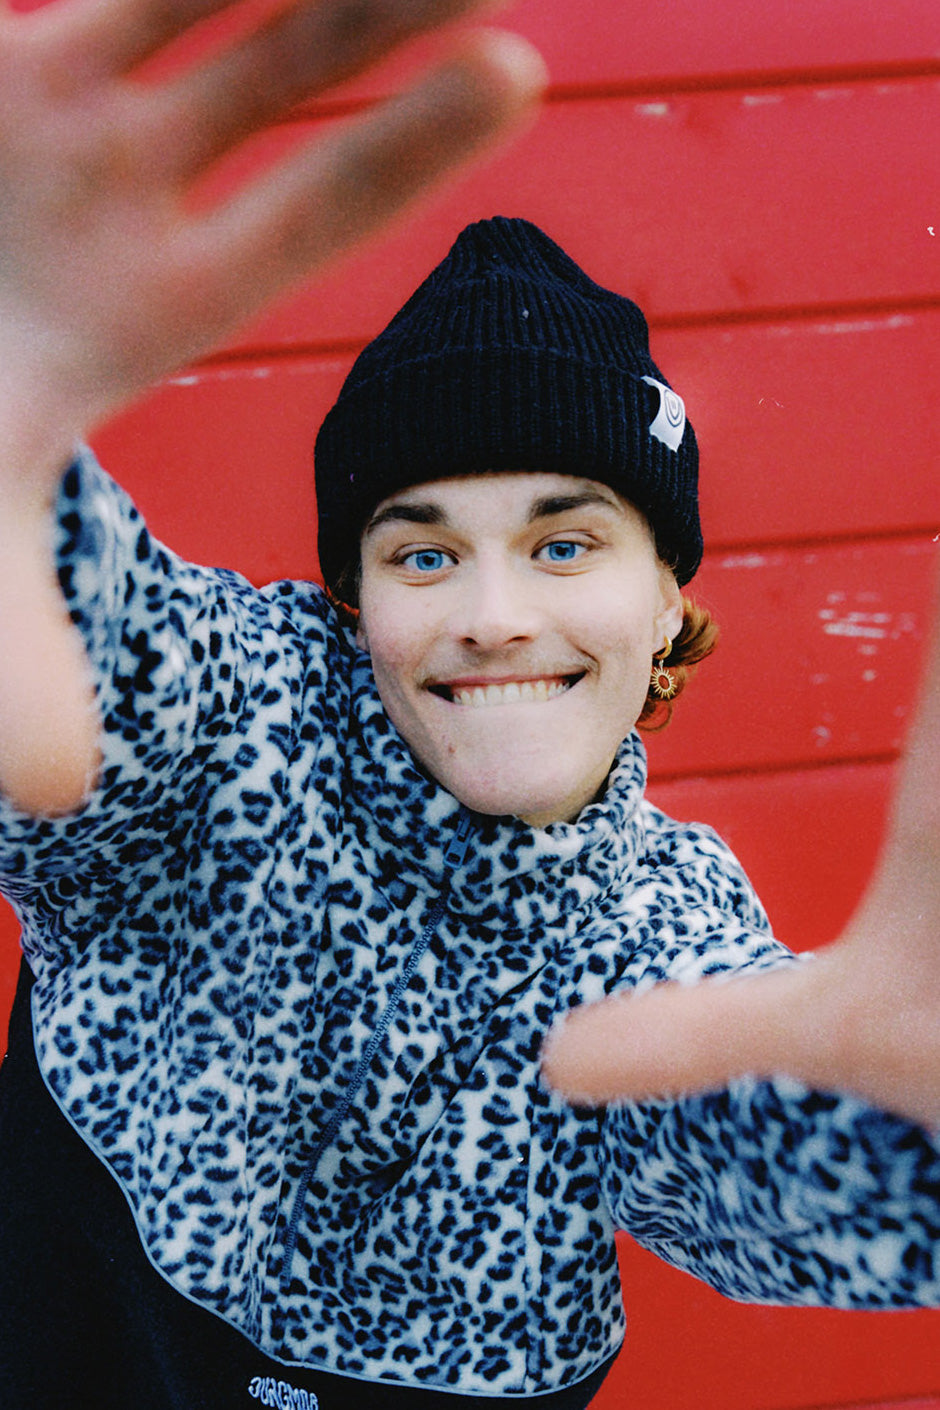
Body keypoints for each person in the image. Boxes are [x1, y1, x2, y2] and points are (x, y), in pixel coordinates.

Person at [0, 1, 938, 1407]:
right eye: (424, 553)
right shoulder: (233, 726)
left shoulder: (660, 921)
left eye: (564, 543)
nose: (493, 611)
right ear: (353, 600)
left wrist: (908, 1141)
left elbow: (753, 1147)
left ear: (666, 601)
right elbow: (90, 628)